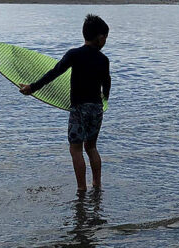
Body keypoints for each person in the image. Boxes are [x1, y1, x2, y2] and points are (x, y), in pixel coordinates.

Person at [19, 14, 111, 191]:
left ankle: (81, 189)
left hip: (78, 108)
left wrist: (33, 87)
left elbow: (55, 72)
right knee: (91, 147)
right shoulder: (103, 59)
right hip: (97, 108)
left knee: (75, 149)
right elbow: (107, 82)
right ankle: (97, 185)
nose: (105, 41)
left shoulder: (74, 54)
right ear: (99, 37)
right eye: (105, 37)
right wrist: (104, 100)